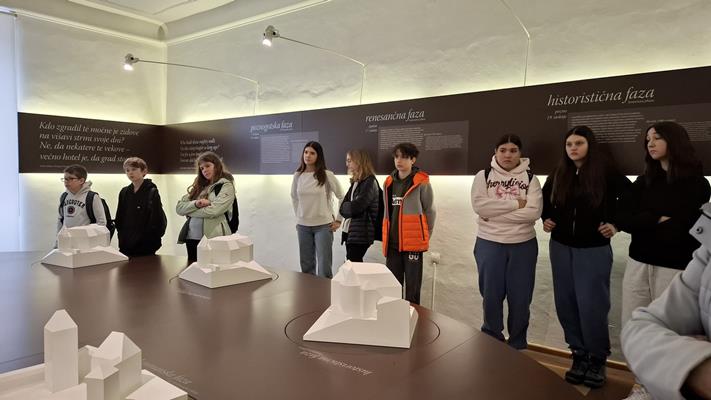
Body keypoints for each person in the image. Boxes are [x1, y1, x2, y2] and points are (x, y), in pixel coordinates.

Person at [616, 121, 710, 399]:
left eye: (657, 138)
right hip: (639, 260)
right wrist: (656, 218)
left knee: (671, 329)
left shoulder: (697, 184)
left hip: (676, 265)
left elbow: (685, 226)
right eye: (647, 139)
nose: (651, 143)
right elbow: (623, 218)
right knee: (634, 321)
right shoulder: (644, 181)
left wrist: (645, 219)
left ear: (674, 140)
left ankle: (662, 389)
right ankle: (641, 384)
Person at [542, 126, 631, 388]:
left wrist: (616, 223)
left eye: (579, 143)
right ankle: (578, 355)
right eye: (569, 144)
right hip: (561, 247)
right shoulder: (560, 172)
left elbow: (632, 198)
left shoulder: (606, 172)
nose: (573, 148)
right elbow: (544, 200)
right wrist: (546, 218)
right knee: (566, 303)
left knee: (592, 305)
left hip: (593, 249)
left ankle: (597, 359)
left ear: (589, 145)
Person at [621, 203, 711, 400]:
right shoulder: (708, 251)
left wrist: (677, 355)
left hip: (675, 260)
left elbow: (687, 219)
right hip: (640, 255)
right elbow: (637, 328)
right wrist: (697, 367)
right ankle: (643, 385)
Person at [471, 134, 542, 350]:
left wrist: (494, 213)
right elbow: (480, 207)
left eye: (513, 150)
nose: (507, 155)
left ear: (520, 153)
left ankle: (518, 344)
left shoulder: (531, 178)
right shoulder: (483, 176)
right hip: (489, 243)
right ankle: (492, 342)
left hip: (523, 245)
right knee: (490, 296)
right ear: (495, 152)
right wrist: (516, 204)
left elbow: (533, 213)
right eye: (503, 150)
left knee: (520, 299)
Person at [382, 142, 435, 305]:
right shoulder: (388, 182)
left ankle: (412, 317)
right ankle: (394, 316)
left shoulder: (421, 182)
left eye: (404, 157)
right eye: (397, 157)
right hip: (392, 244)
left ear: (413, 160)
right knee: (393, 287)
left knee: (412, 288)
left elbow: (430, 211)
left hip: (413, 244)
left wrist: (424, 236)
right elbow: (386, 213)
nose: (399, 160)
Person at [291, 141, 344, 278]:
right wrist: (299, 216)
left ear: (318, 156)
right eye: (306, 152)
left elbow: (342, 197)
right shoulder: (298, 175)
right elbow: (294, 198)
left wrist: (339, 220)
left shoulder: (327, 175)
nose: (308, 155)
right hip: (303, 227)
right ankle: (309, 291)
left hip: (323, 226)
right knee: (306, 267)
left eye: (312, 153)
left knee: (324, 268)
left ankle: (325, 292)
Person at [176, 151, 236, 263]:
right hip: (191, 238)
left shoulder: (225, 185)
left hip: (213, 238)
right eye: (202, 168)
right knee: (193, 269)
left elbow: (214, 211)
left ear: (216, 165)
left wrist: (189, 211)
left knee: (214, 270)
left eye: (207, 166)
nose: (204, 170)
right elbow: (179, 208)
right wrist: (196, 204)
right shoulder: (198, 187)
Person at [114, 157, 166, 257]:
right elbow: (120, 216)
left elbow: (156, 217)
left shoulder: (152, 191)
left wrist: (151, 237)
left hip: (146, 243)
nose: (130, 173)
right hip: (126, 243)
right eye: (127, 170)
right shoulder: (124, 192)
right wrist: (122, 236)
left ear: (144, 171)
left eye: (134, 169)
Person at [339, 149, 380, 262]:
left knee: (354, 264)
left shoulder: (370, 182)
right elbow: (342, 208)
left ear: (359, 161)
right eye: (347, 161)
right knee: (352, 264)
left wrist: (349, 206)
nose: (347, 164)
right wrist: (349, 206)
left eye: (349, 161)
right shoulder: (356, 182)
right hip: (351, 232)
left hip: (361, 234)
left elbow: (356, 207)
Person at [57, 164, 106, 231]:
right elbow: (60, 219)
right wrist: (58, 236)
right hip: (68, 237)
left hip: (87, 237)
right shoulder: (64, 196)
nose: (66, 181)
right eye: (65, 179)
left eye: (71, 178)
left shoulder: (92, 197)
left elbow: (101, 223)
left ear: (81, 181)